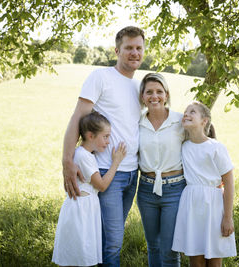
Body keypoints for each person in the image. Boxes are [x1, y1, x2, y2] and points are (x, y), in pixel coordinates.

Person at [61, 26, 145, 266]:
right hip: (108, 171)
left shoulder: (137, 87)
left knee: (107, 235)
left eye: (139, 48)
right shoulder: (101, 77)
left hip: (132, 173)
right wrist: (67, 160)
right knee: (113, 241)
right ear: (117, 50)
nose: (134, 52)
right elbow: (77, 117)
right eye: (129, 47)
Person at [52, 111, 127, 266]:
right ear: (90, 135)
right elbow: (102, 185)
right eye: (105, 136)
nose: (108, 142)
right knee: (78, 254)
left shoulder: (85, 154)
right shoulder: (84, 156)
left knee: (82, 254)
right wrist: (116, 162)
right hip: (81, 209)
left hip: (86, 207)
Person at [172, 102, 237, 267]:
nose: (186, 114)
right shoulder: (183, 146)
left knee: (215, 258)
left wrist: (228, 217)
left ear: (204, 121)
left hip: (214, 206)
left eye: (192, 112)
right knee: (196, 259)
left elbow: (228, 182)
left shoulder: (215, 147)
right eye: (185, 112)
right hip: (192, 206)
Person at [137, 73, 186, 267]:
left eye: (159, 91)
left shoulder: (180, 121)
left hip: (175, 190)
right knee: (153, 247)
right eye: (149, 92)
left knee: (170, 250)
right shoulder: (137, 122)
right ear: (143, 96)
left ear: (166, 95)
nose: (154, 96)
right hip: (146, 190)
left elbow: (201, 144)